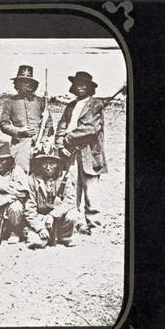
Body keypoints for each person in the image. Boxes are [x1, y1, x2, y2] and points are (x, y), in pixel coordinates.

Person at [55, 71, 107, 234]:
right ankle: (74, 222)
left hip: (89, 153)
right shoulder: (70, 105)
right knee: (71, 187)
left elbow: (91, 129)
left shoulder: (96, 105)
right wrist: (59, 143)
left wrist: (68, 138)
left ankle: (94, 224)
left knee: (90, 189)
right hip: (69, 152)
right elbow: (61, 126)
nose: (80, 87)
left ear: (90, 88)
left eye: (84, 85)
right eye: (77, 84)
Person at [0, 65, 53, 173]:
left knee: (40, 173)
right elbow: (3, 124)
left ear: (33, 85)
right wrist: (19, 131)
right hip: (20, 146)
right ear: (17, 84)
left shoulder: (41, 101)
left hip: (40, 145)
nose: (25, 85)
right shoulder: (9, 102)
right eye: (22, 82)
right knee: (20, 172)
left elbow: (49, 123)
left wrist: (42, 141)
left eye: (28, 83)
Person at [24, 152, 78, 249]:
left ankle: (65, 237)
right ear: (39, 164)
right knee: (39, 242)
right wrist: (40, 228)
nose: (48, 167)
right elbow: (29, 209)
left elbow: (71, 200)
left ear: (58, 164)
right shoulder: (32, 179)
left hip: (59, 218)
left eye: (52, 163)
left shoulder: (65, 177)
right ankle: (40, 235)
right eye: (44, 163)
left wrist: (53, 215)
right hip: (40, 219)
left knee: (72, 214)